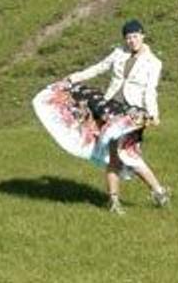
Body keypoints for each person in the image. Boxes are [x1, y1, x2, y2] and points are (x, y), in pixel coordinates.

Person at [33, 18, 169, 215]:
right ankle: (116, 201)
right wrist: (72, 78)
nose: (131, 40)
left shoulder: (154, 63)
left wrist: (154, 113)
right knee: (114, 155)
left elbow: (150, 90)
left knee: (128, 154)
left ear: (142, 36)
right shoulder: (118, 53)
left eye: (135, 36)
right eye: (128, 37)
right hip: (110, 108)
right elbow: (97, 68)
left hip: (133, 114)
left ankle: (158, 192)